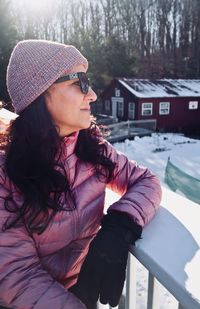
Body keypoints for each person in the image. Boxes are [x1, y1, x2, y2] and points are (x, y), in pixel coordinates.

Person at [0, 40, 162, 309]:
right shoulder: (6, 174)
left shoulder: (91, 148)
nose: (93, 95)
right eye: (81, 82)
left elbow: (146, 181)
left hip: (80, 291)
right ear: (40, 93)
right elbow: (16, 276)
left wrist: (119, 226)